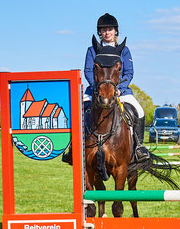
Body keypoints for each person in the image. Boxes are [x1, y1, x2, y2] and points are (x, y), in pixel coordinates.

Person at [62, 13, 149, 164]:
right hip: (96, 91)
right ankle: (73, 147)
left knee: (139, 111)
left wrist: (119, 88)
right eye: (103, 30)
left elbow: (129, 72)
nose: (107, 32)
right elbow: (88, 71)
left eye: (110, 29)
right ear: (99, 32)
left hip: (120, 91)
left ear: (116, 31)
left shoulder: (124, 50)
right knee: (77, 111)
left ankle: (139, 147)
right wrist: (98, 88)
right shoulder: (92, 50)